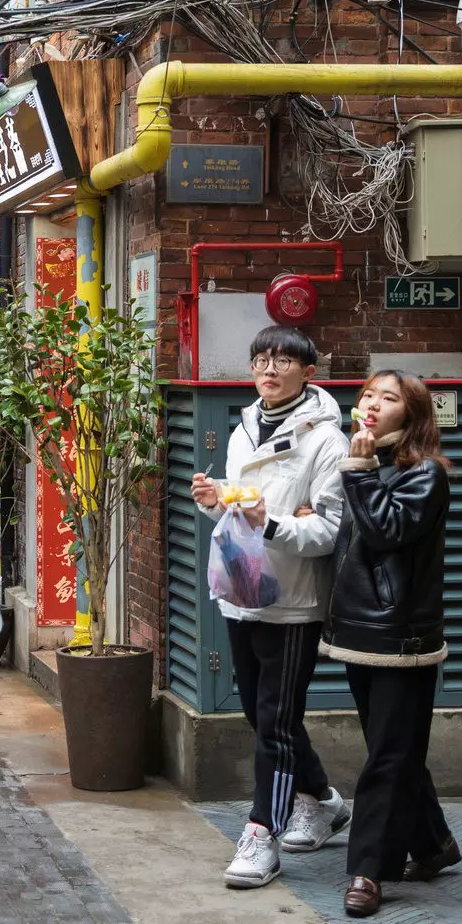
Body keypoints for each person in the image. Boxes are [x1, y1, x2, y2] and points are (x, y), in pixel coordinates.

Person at [188, 325, 350, 890]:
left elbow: (329, 528)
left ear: (309, 371)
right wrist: (217, 503)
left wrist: (276, 522)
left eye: (284, 360)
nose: (270, 369)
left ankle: (263, 833)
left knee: (275, 724)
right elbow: (242, 511)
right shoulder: (244, 427)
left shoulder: (328, 440)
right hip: (243, 588)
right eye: (261, 359)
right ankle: (323, 801)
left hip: (293, 601)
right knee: (263, 716)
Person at [326, 370, 460, 918]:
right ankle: (433, 845)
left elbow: (386, 533)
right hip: (360, 630)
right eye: (368, 394)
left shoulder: (424, 474)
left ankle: (368, 870)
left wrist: (357, 471)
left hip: (401, 637)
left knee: (387, 755)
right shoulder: (370, 461)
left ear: (412, 415)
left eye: (389, 398)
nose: (373, 404)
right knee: (397, 748)